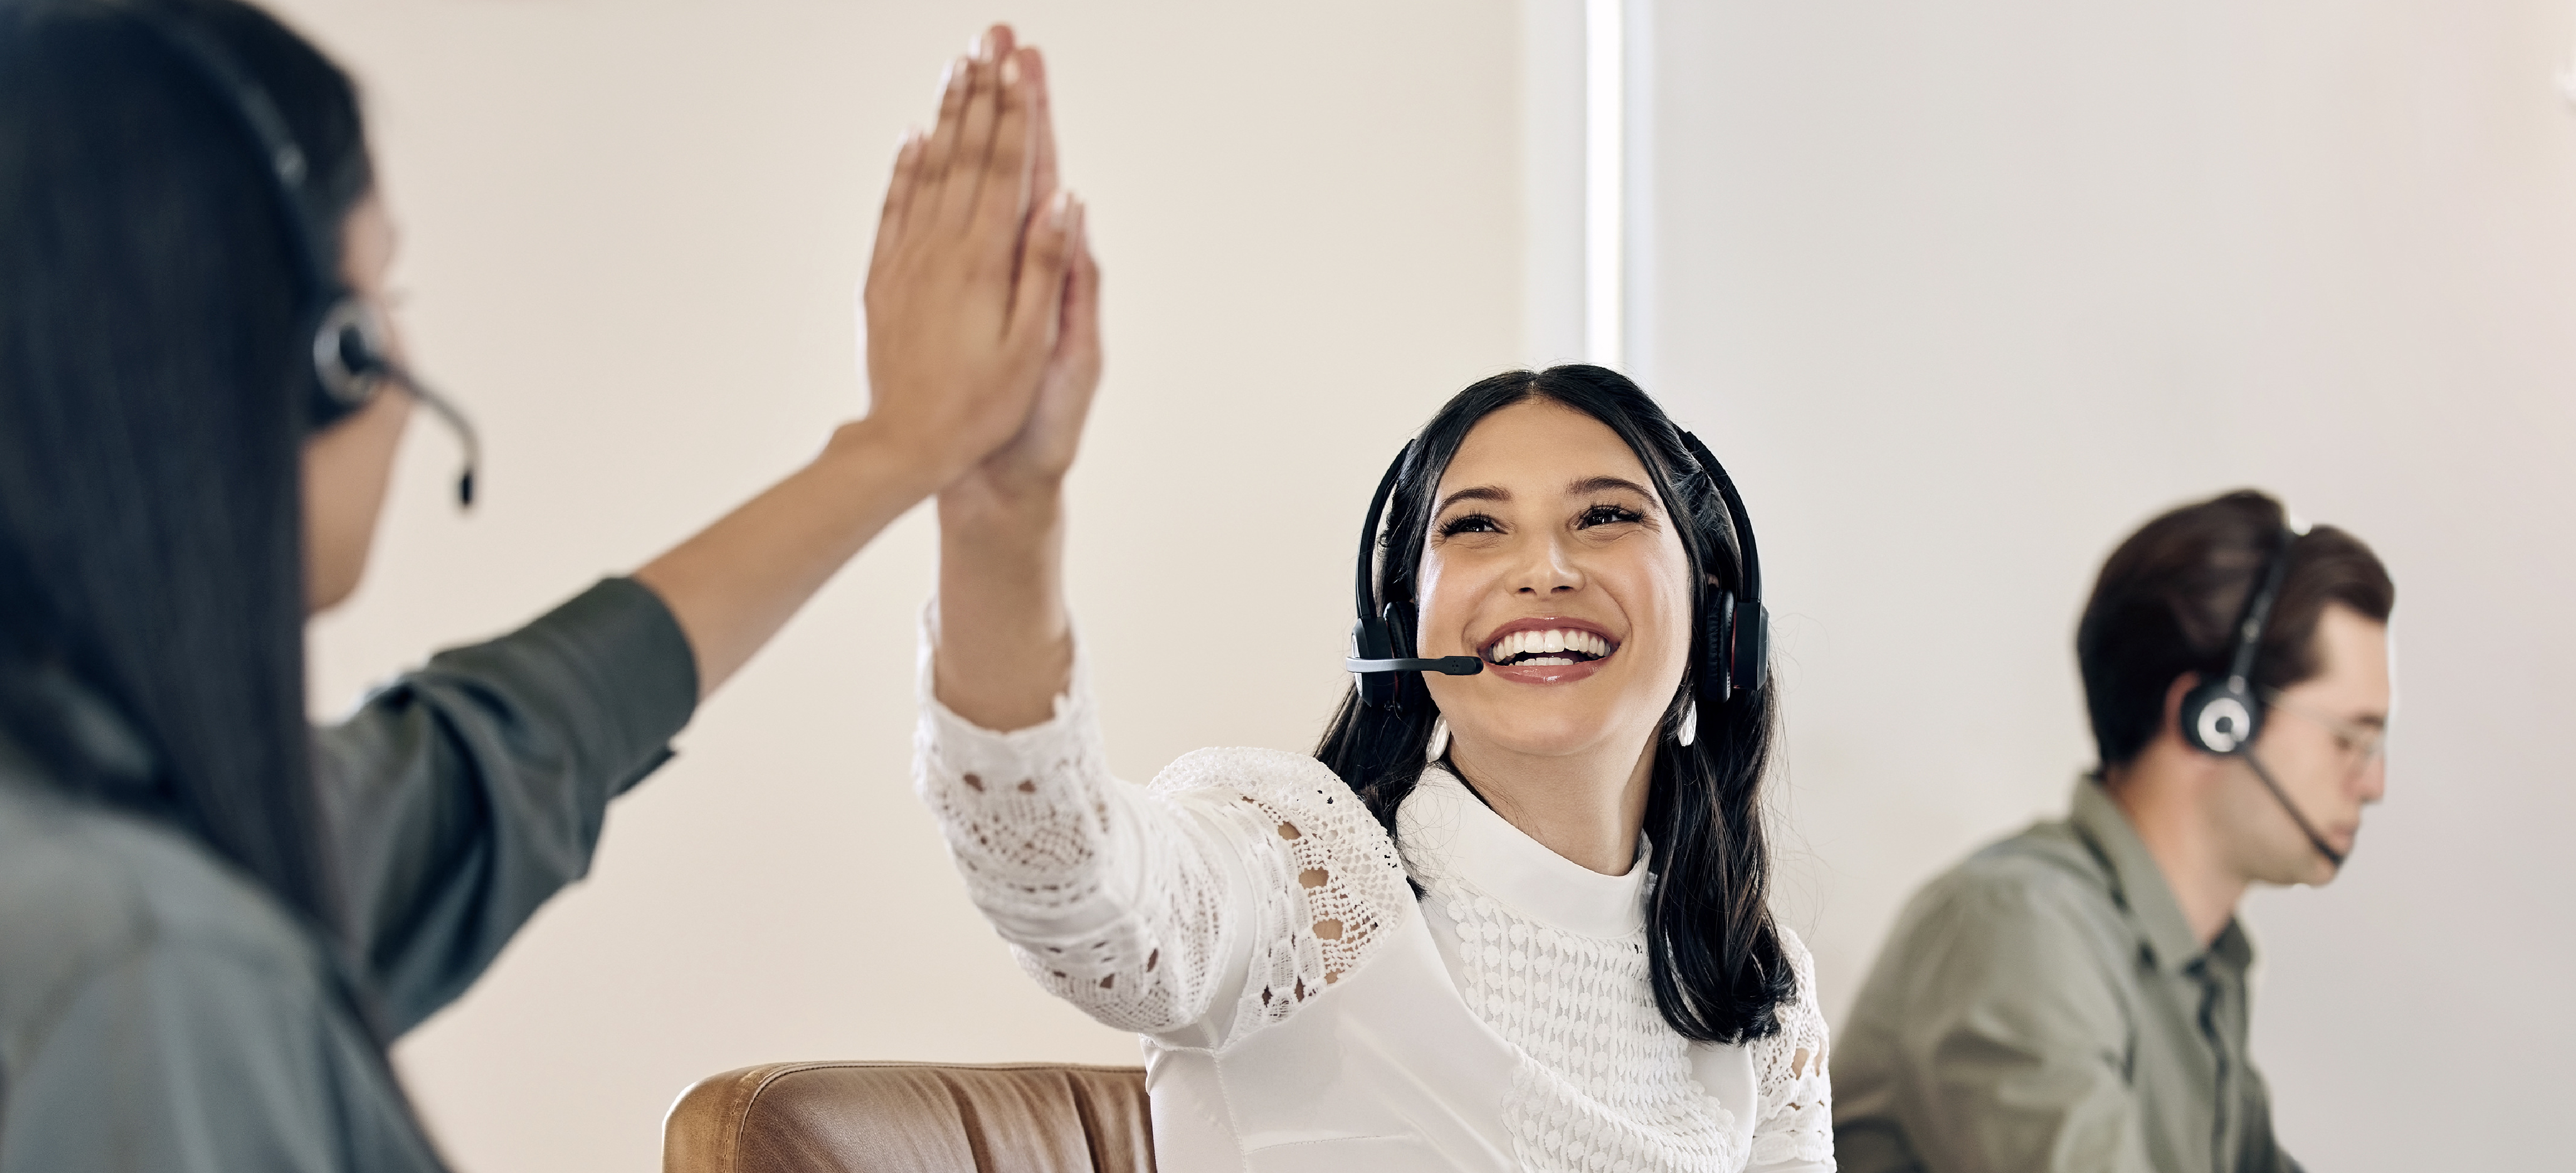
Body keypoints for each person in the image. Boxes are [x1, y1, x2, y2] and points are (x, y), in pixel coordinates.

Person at [0, 4, 1086, 1168]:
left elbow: (485, 760)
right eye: (382, 305)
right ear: (321, 363)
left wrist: (898, 448)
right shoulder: (149, 972)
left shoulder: (112, 822)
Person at [914, 328, 1837, 1162]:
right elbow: (1067, 878)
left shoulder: (1753, 990)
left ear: (1716, 607)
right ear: (1402, 627)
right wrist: (1004, 533)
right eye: (1476, 525)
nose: (1545, 569)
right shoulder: (1301, 883)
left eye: (1605, 516)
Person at [1829, 489, 2394, 1173]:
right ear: (2215, 720)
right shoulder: (2022, 926)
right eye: (2348, 741)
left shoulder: (2204, 968)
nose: (2373, 783)